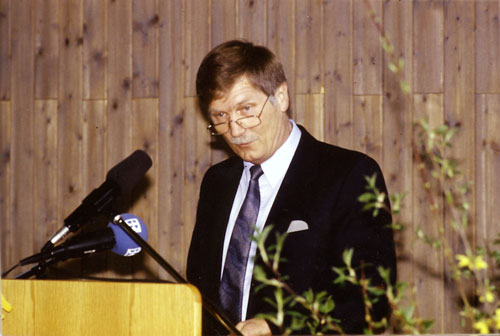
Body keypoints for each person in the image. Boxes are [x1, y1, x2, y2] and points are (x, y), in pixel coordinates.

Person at [186, 40, 396, 336]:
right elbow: (200, 288)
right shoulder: (216, 183)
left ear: (281, 97)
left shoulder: (348, 174)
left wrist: (275, 327)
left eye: (246, 109)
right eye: (220, 117)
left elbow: (371, 297)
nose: (235, 130)